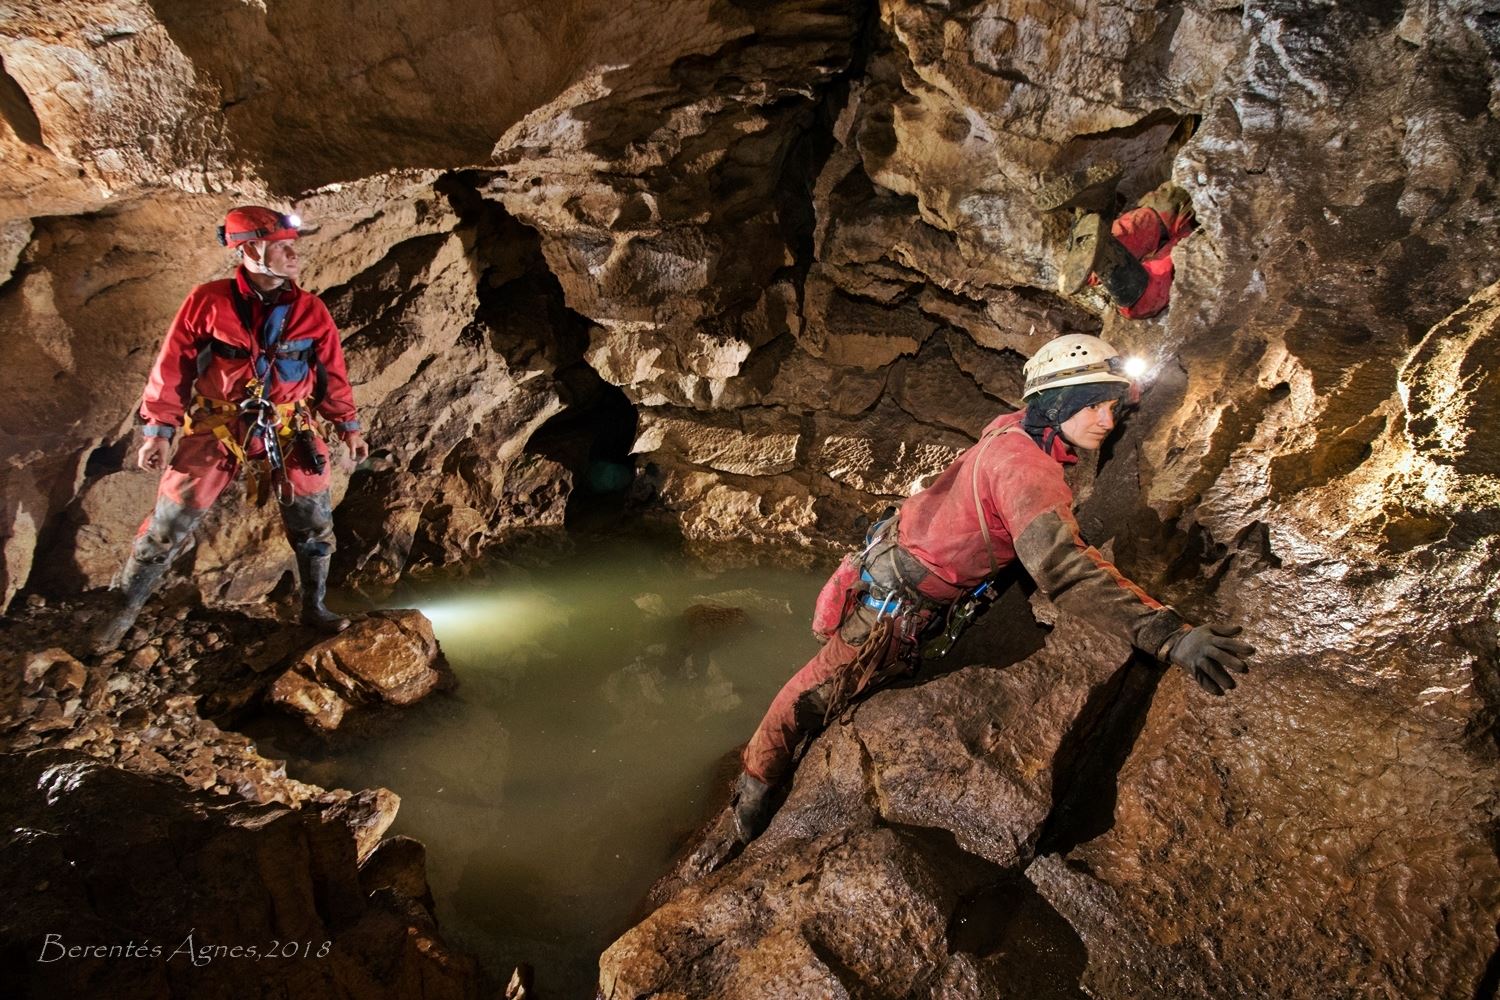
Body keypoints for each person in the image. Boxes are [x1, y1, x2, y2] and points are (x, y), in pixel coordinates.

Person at [696, 333, 1253, 868]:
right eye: (1092, 408)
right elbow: (1065, 572)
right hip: (889, 608)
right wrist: (1169, 635)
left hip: (883, 566)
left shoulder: (1014, 429)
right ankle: (753, 794)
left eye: (1111, 407)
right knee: (807, 698)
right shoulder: (1025, 470)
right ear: (1057, 406)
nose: (1107, 422)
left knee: (814, 684)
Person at [92, 206, 369, 653]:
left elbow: (332, 373)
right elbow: (173, 367)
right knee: (169, 521)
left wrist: (347, 427)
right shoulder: (208, 301)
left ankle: (314, 608)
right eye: (281, 246)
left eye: (291, 244)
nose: (292, 253)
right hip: (219, 426)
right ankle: (120, 613)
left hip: (289, 428)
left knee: (315, 523)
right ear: (251, 250)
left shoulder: (311, 311)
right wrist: (158, 432)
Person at [1058, 181, 1196, 320]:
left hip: (1186, 212)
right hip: (1191, 212)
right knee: (1145, 296)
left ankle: (1097, 237)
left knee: (1141, 225)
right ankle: (1106, 255)